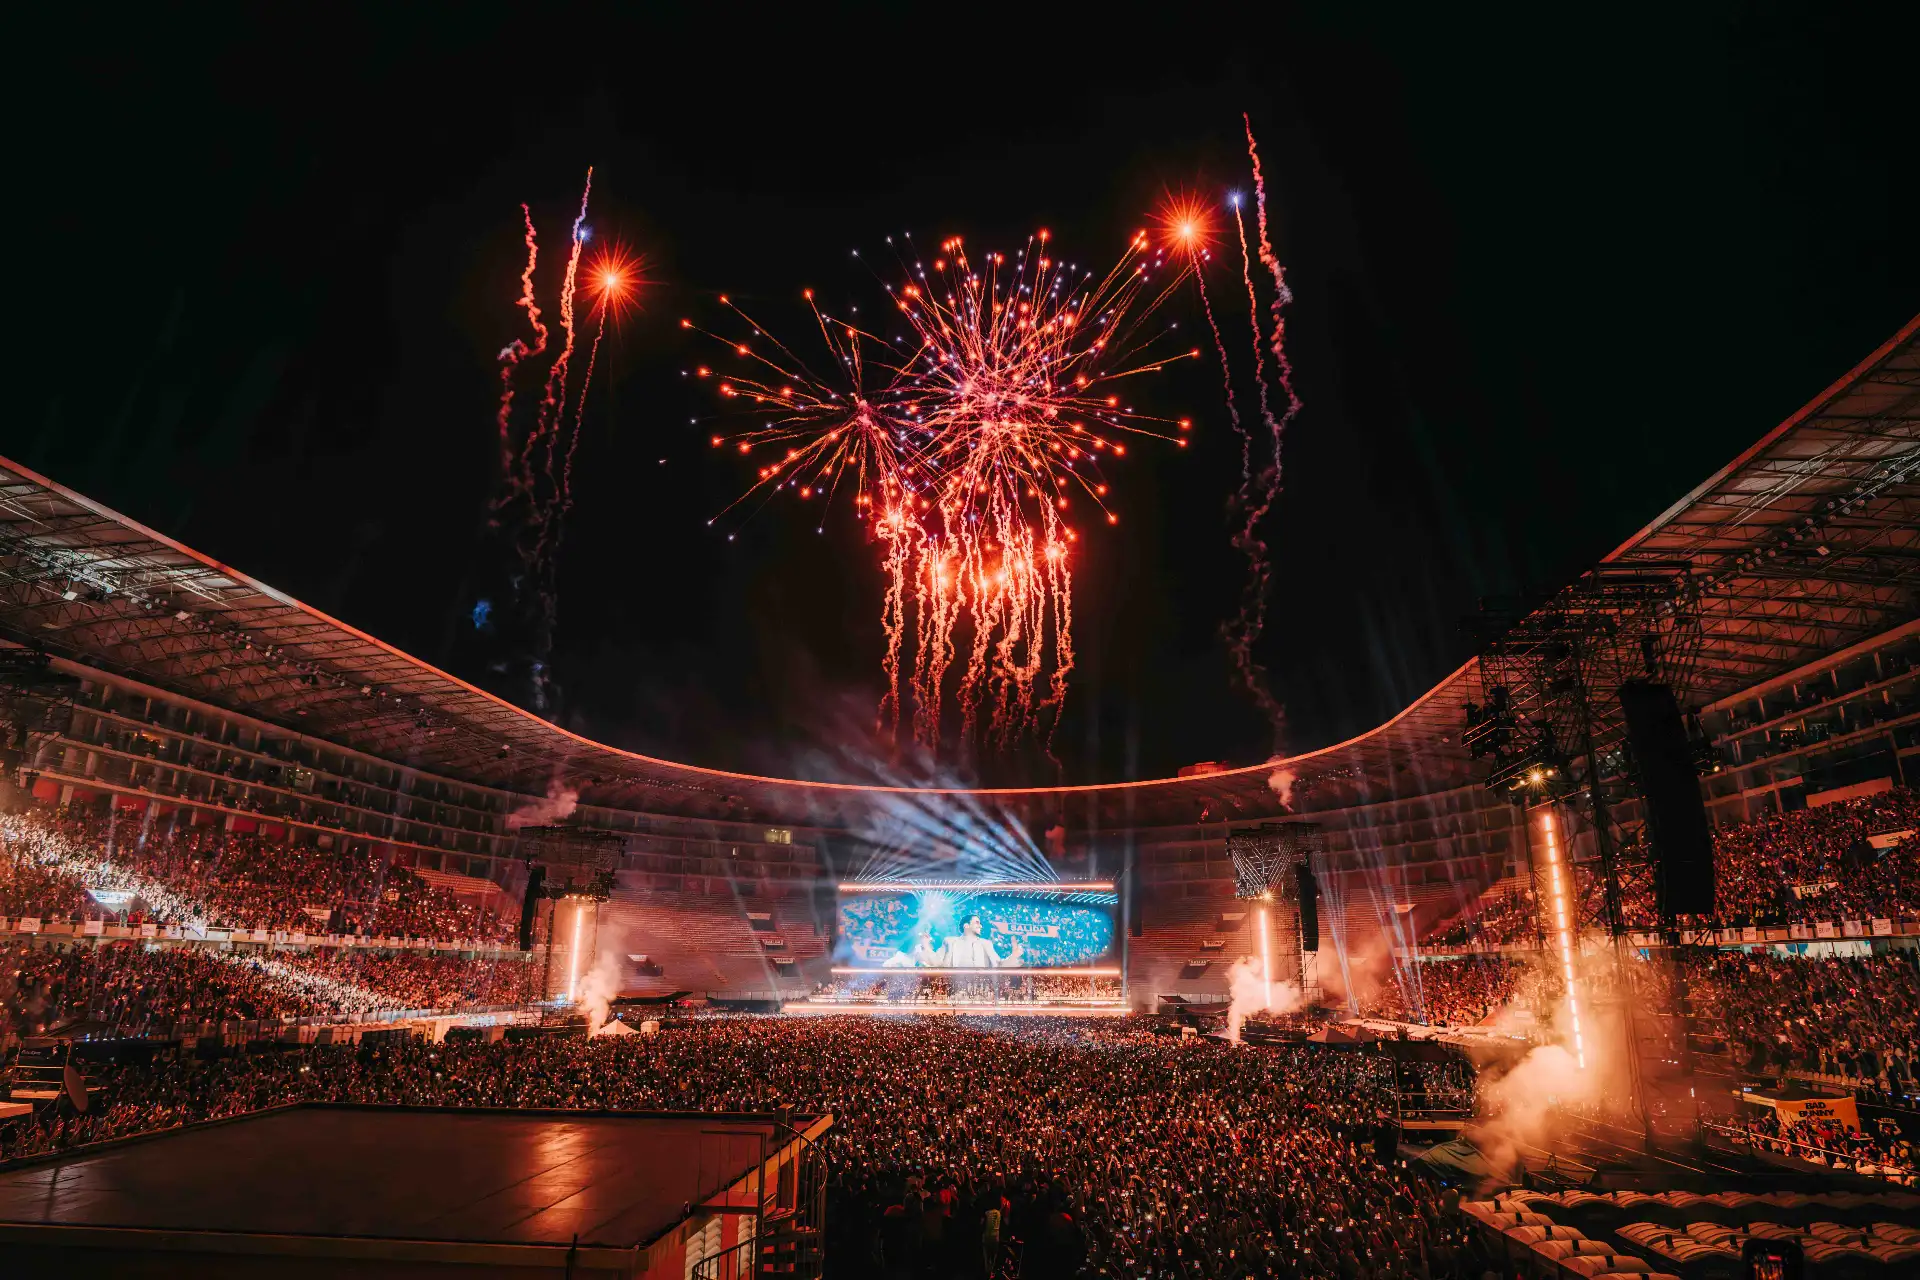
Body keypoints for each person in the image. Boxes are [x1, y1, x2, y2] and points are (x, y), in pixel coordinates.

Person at [940, 915, 1023, 969]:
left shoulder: (986, 944)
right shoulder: (950, 942)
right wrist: (926, 946)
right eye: (977, 922)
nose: (981, 926)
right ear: (966, 926)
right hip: (953, 988)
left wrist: (1013, 956)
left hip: (980, 989)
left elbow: (999, 965)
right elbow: (935, 962)